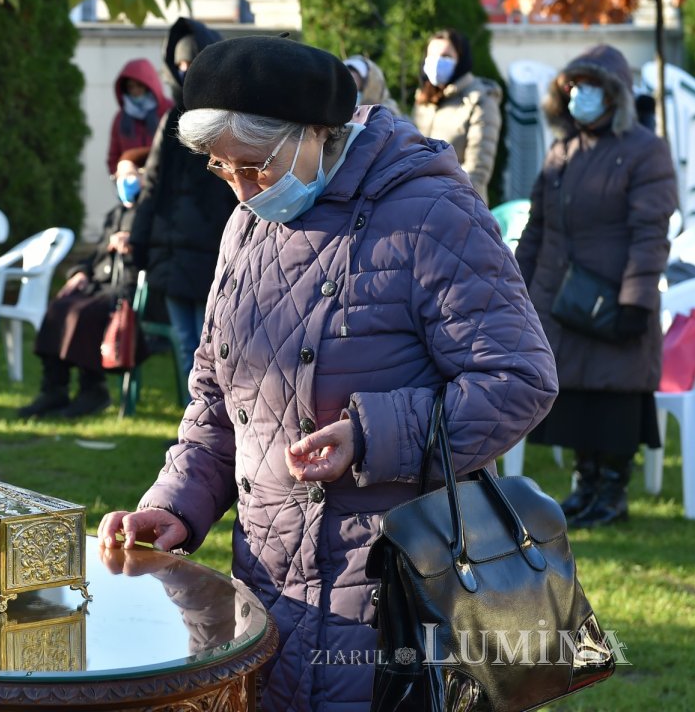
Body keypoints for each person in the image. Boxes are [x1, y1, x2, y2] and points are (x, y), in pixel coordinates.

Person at [97, 36, 557, 712]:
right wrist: (174, 507)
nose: (244, 189)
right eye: (222, 168)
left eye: (256, 165)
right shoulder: (244, 228)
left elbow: (519, 378)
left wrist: (371, 438)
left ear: (318, 133)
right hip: (265, 589)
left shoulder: (431, 213)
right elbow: (216, 406)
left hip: (395, 593)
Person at [516, 44, 677, 528]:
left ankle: (613, 491)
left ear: (615, 95)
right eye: (573, 87)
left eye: (591, 87)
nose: (579, 96)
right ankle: (585, 486)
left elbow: (652, 231)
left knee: (615, 397)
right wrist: (516, 285)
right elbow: (537, 225)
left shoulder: (644, 150)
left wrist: (636, 299)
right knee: (576, 398)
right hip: (560, 297)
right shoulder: (562, 149)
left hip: (613, 296)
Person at [129, 19, 237, 392]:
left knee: (216, 350)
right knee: (186, 348)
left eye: (194, 64)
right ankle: (195, 431)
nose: (186, 72)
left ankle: (214, 434)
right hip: (173, 253)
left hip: (213, 255)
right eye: (180, 66)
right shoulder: (172, 119)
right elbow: (153, 186)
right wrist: (139, 243)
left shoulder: (228, 120)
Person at [17, 173, 142, 419]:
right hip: (98, 285)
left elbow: (155, 255)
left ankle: (93, 389)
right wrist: (80, 272)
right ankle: (54, 387)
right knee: (59, 307)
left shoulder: (151, 215)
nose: (124, 180)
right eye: (119, 174)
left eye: (131, 174)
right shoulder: (114, 215)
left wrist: (133, 244)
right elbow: (94, 255)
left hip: (126, 289)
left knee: (84, 313)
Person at [411, 29, 503, 203]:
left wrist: (442, 199)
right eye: (432, 55)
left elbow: (477, 170)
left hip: (458, 206)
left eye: (446, 56)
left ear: (460, 60)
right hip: (417, 204)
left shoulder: (480, 99)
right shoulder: (424, 99)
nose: (437, 61)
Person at [107, 58, 172, 175]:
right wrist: (119, 178)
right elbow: (113, 156)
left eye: (139, 86)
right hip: (132, 184)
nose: (135, 91)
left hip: (164, 183)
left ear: (149, 85)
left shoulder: (168, 111)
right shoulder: (120, 118)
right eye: (131, 87)